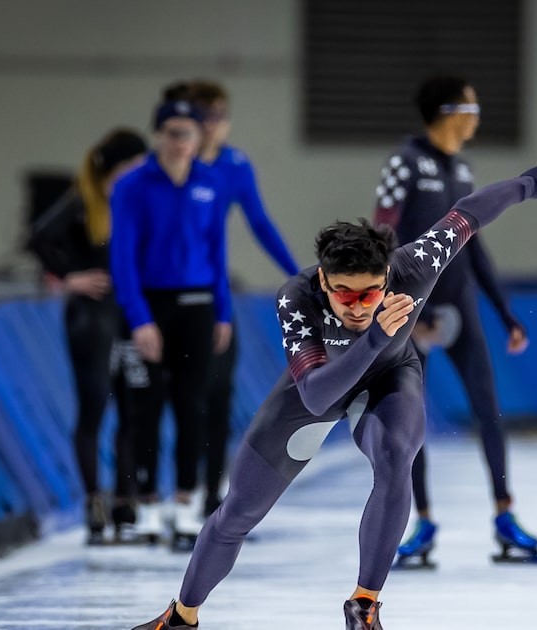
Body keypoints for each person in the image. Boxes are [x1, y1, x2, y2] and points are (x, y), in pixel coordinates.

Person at [130, 154, 537, 630]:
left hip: (390, 376)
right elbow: (314, 396)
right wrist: (375, 335)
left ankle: (365, 603)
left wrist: (531, 183)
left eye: (370, 293)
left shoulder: (413, 268)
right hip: (319, 384)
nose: (358, 307)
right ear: (323, 282)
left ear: (387, 278)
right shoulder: (297, 297)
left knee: (398, 456)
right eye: (345, 295)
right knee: (236, 513)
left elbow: (470, 213)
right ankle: (182, 617)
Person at [373, 75, 537, 569]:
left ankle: (505, 514)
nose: (478, 114)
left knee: (488, 408)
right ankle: (421, 520)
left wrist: (504, 310)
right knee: (411, 419)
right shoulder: (403, 164)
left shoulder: (463, 169)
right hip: (413, 308)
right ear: (451, 112)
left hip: (462, 303)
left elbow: (475, 245)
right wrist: (405, 309)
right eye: (472, 106)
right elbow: (381, 236)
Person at [110, 98, 233, 547]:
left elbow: (217, 252)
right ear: (158, 135)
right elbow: (121, 258)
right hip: (150, 304)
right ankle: (145, 504)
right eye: (173, 133)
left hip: (198, 304)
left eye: (190, 133)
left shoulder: (211, 183)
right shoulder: (132, 186)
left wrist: (223, 310)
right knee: (144, 406)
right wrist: (139, 318)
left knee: (191, 407)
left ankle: (184, 503)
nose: (182, 142)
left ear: (200, 138)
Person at [184, 79, 300, 518]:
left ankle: (212, 490)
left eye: (221, 117)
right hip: (170, 295)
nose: (215, 127)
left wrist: (298, 272)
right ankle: (161, 491)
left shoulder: (234, 165)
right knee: (177, 400)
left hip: (214, 293)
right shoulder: (175, 165)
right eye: (205, 118)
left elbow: (260, 222)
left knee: (218, 394)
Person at [27, 129, 150, 544]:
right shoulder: (84, 200)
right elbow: (38, 237)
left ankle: (124, 496)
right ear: (116, 168)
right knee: (95, 405)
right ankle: (95, 498)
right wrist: (69, 277)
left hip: (127, 313)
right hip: (91, 314)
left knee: (133, 407)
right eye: (134, 165)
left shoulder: (137, 201)